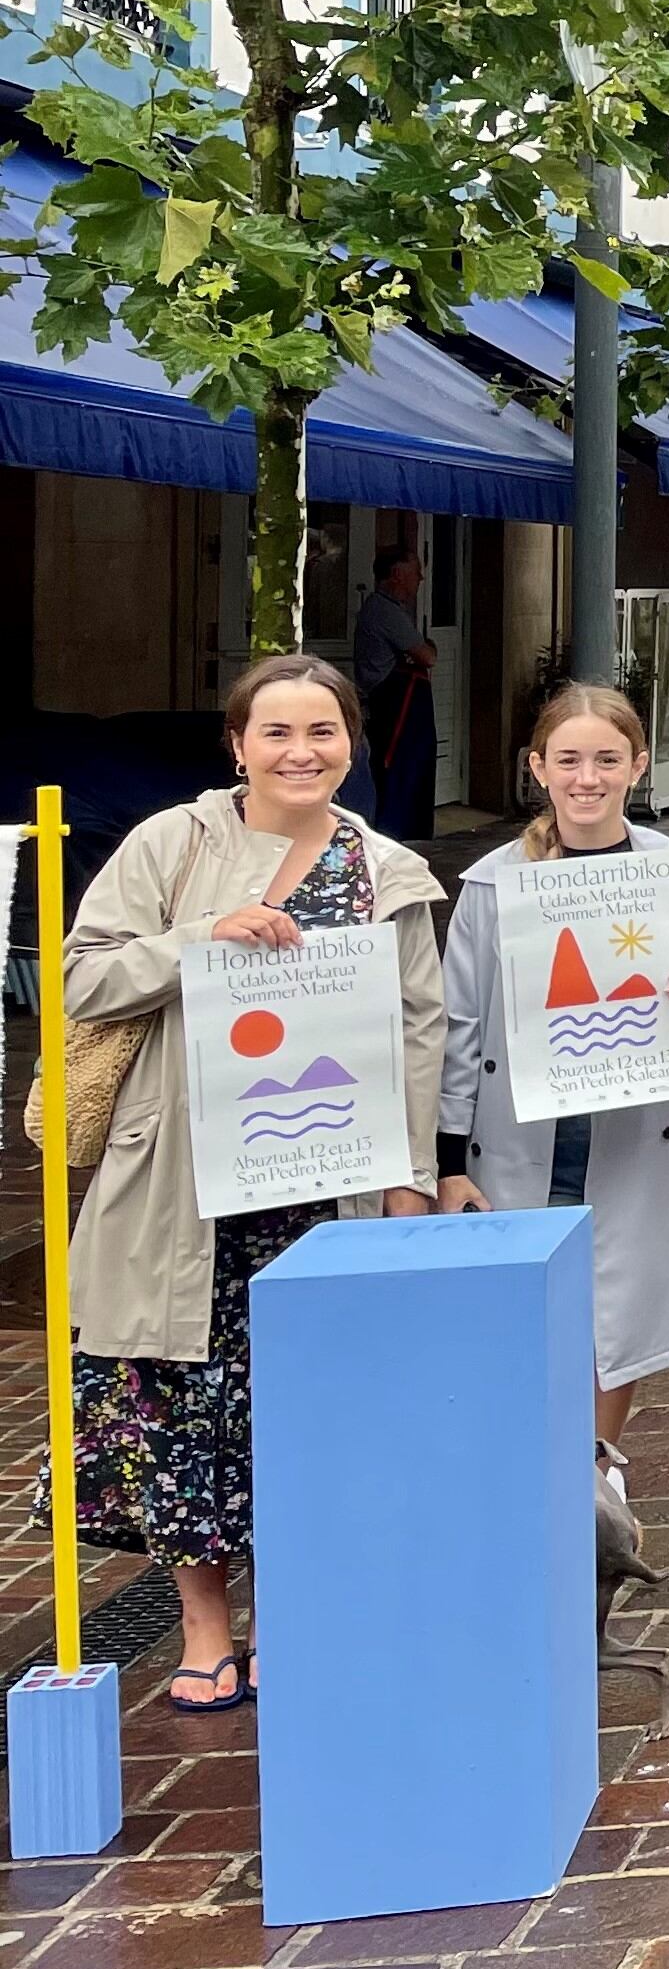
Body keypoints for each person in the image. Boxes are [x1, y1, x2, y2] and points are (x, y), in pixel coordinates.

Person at [45, 657, 443, 1711]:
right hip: (182, 1183)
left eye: (323, 731)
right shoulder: (171, 844)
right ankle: (203, 1628)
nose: (301, 752)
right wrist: (195, 941)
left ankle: (294, 1618)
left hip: (328, 1185)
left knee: (317, 1403)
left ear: (352, 742)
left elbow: (417, 1031)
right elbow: (78, 974)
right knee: (181, 1407)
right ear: (237, 744)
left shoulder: (388, 871)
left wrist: (412, 1180)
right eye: (277, 732)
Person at [437, 687, 669, 1466]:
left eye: (607, 760)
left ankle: (597, 1475)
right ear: (536, 767)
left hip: (641, 1131)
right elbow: (459, 1027)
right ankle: (538, 1470)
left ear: (638, 766)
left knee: (621, 1310)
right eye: (568, 760)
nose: (587, 778)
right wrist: (445, 1161)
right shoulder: (488, 886)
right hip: (521, 1133)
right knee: (531, 1309)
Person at [348, 547, 440, 839]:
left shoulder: (388, 610)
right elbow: (427, 656)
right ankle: (397, 833)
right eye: (416, 572)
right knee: (399, 773)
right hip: (395, 707)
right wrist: (426, 648)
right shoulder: (385, 611)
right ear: (397, 574)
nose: (421, 579)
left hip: (398, 702)